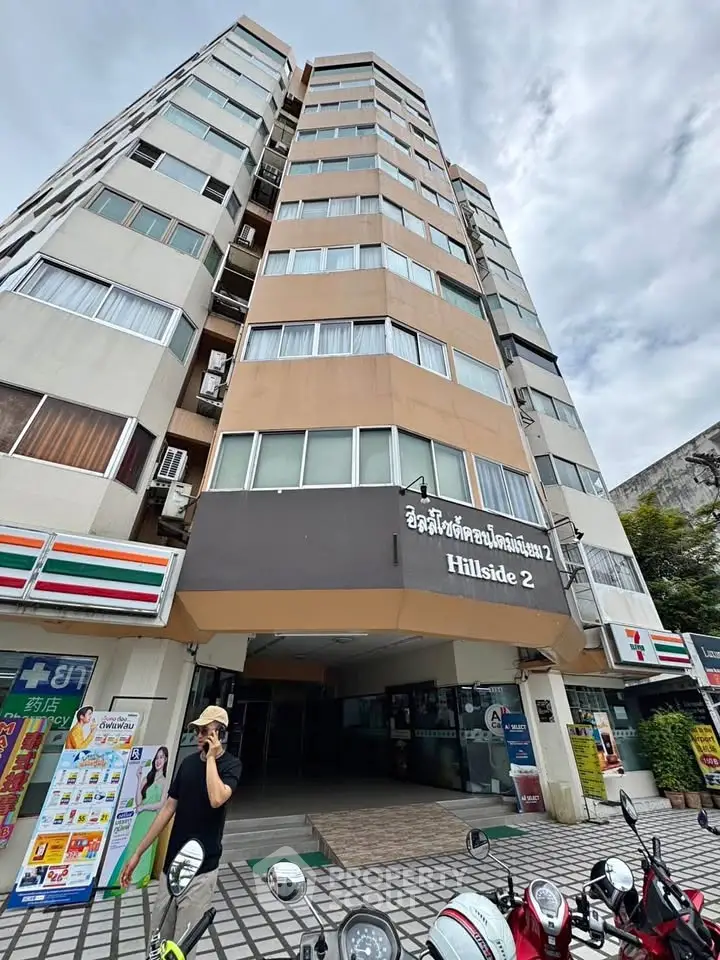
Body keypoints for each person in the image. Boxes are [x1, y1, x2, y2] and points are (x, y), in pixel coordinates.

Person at [120, 707, 241, 954]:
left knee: (181, 950)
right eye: (198, 731)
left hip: (202, 872)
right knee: (157, 943)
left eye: (205, 731)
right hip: (171, 867)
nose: (199, 736)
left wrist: (211, 758)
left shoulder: (231, 765)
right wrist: (138, 852)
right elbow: (167, 809)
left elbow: (217, 798)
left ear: (220, 733)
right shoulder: (187, 764)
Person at [106, 746, 169, 894]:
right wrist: (139, 778)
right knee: (133, 846)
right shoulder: (148, 778)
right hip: (140, 819)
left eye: (161, 757)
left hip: (151, 819)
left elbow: (161, 804)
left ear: (166, 760)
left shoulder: (165, 782)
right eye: (157, 757)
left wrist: (144, 807)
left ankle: (139, 879)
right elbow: (138, 801)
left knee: (146, 848)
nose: (158, 761)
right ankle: (126, 877)